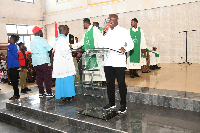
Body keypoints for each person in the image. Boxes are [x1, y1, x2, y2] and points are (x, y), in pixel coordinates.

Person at [98, 14, 134, 114]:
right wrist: (104, 33)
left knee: (121, 84)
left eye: (113, 19)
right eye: (109, 19)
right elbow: (100, 45)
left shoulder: (123, 31)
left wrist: (125, 49)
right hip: (108, 61)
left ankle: (123, 105)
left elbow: (131, 44)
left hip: (119, 61)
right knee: (110, 84)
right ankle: (111, 103)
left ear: (117, 20)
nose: (111, 21)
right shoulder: (106, 31)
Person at [70, 18, 105, 83]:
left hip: (95, 54)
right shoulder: (86, 33)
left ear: (85, 23)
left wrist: (100, 50)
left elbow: (101, 39)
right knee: (89, 69)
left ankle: (99, 83)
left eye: (83, 24)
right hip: (88, 55)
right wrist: (72, 46)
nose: (83, 25)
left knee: (97, 69)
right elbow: (81, 43)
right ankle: (91, 83)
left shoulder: (95, 29)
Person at [52, 25, 76, 101]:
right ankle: (68, 95)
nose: (68, 31)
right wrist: (70, 50)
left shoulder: (58, 39)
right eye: (67, 29)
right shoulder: (62, 39)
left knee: (61, 79)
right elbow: (64, 51)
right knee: (67, 78)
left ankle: (62, 95)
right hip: (65, 63)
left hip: (61, 63)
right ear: (64, 30)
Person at [30, 26, 54, 98]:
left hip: (35, 62)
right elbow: (50, 49)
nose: (42, 32)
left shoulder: (32, 42)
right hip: (43, 61)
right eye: (41, 31)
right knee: (47, 77)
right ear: (38, 32)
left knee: (39, 77)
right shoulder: (43, 40)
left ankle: (41, 92)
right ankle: (49, 93)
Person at [0, 35, 20, 100]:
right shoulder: (11, 47)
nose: (9, 39)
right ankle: (16, 95)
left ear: (13, 40)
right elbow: (9, 58)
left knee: (14, 82)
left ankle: (16, 95)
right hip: (12, 66)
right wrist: (4, 59)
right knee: (13, 81)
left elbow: (2, 48)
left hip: (14, 67)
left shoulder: (12, 46)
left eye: (10, 38)